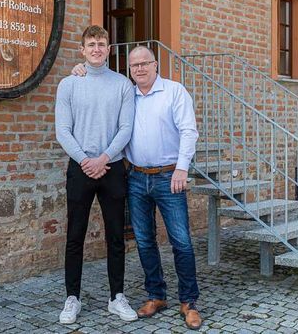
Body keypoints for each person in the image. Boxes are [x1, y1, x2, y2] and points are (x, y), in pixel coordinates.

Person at [72, 45, 202, 330]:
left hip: (169, 176)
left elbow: (189, 131)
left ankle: (189, 301)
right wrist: (79, 70)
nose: (140, 69)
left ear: (156, 65)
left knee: (181, 240)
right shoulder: (126, 93)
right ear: (129, 70)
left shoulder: (173, 91)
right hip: (136, 177)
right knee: (144, 241)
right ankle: (157, 295)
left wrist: (182, 167)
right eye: (134, 66)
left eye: (145, 63)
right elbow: (100, 86)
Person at [55, 25, 137, 325]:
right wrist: (85, 161)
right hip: (80, 168)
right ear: (82, 49)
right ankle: (72, 298)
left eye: (102, 44)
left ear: (109, 49)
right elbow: (62, 130)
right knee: (74, 235)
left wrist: (103, 158)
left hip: (112, 168)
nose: (97, 49)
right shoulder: (69, 84)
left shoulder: (123, 85)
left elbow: (125, 128)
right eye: (91, 44)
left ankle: (117, 297)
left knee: (116, 236)